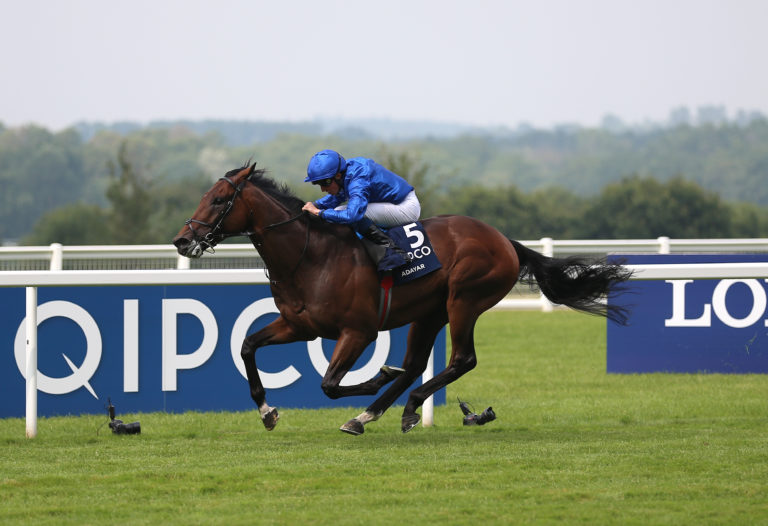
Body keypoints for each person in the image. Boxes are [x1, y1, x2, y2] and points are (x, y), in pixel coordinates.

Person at [301, 149, 421, 271]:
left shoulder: (358, 178)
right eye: (318, 183)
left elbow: (352, 215)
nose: (322, 189)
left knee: (348, 212)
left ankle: (393, 254)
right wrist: (316, 205)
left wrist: (319, 212)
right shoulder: (345, 173)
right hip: (391, 204)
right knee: (340, 211)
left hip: (406, 207)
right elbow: (338, 196)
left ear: (337, 176)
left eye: (324, 183)